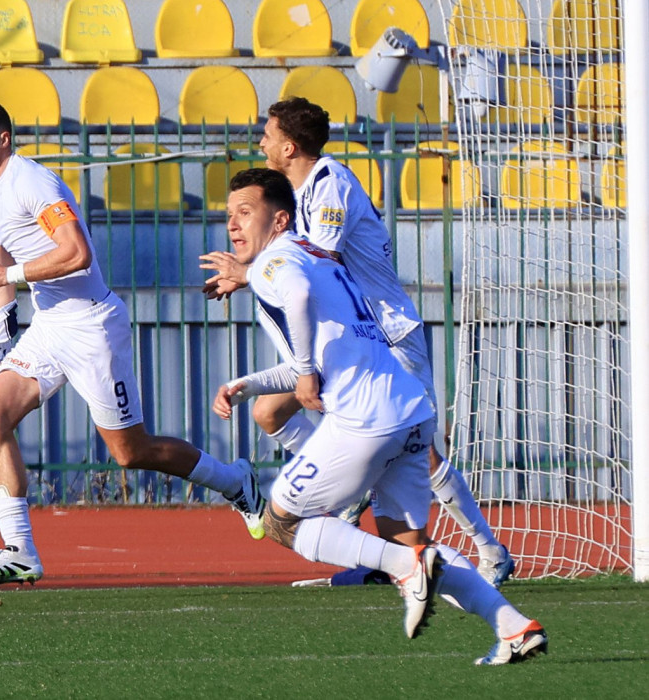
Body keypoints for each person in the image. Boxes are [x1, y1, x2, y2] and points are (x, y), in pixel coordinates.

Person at [212, 168, 546, 665]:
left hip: (366, 420)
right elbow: (332, 354)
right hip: (409, 410)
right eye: (229, 215)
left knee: (280, 522)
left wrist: (301, 372)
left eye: (246, 212)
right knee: (409, 541)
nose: (234, 225)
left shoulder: (273, 262)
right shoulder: (321, 257)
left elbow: (299, 310)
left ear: (279, 219)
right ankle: (515, 628)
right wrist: (253, 384)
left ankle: (408, 568)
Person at [201, 97, 514, 587]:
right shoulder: (296, 196)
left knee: (422, 451)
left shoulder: (330, 183)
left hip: (386, 333)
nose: (260, 143)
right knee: (268, 412)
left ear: (289, 146)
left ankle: (489, 550)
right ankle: (355, 494)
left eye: (267, 134)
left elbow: (319, 261)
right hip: (347, 340)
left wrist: (248, 273)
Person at [0, 101, 264, 587]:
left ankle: (234, 481)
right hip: (50, 325)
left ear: (3, 139)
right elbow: (0, 283)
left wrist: (7, 274)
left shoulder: (32, 182)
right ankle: (20, 551)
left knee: (130, 452)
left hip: (91, 326)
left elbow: (76, 253)